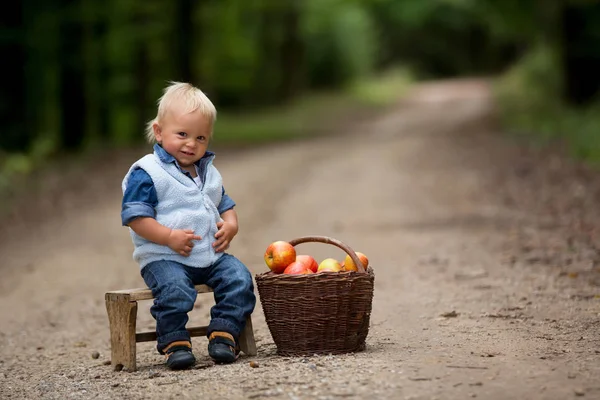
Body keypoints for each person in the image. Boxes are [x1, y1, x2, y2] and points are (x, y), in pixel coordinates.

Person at [120, 82, 256, 370]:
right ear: (159, 132)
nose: (191, 144)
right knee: (175, 289)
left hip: (209, 255)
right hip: (164, 257)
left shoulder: (207, 171)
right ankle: (174, 341)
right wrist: (168, 236)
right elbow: (135, 217)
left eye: (201, 137)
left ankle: (224, 333)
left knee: (239, 278)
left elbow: (224, 204)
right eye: (182, 134)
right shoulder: (148, 172)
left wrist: (231, 225)